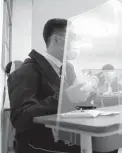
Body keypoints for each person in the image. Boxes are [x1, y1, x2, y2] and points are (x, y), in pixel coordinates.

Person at [7, 18, 100, 153]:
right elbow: (21, 119)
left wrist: (87, 94)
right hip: (40, 145)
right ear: (57, 40)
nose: (76, 44)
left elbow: (71, 107)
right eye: (73, 38)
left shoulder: (68, 69)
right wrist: (66, 97)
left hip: (68, 136)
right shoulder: (27, 71)